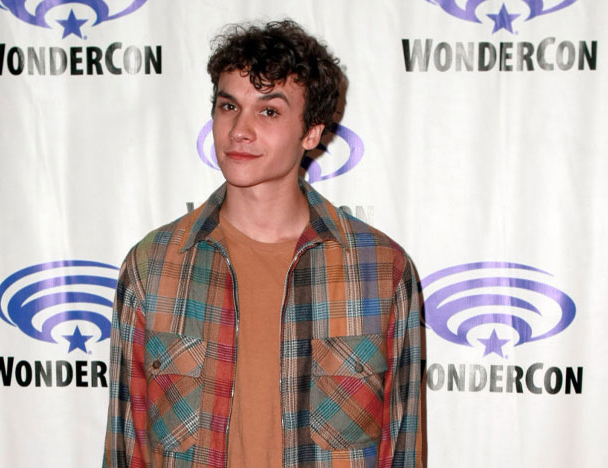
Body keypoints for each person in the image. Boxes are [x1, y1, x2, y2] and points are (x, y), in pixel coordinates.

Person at [103, 19, 422, 468]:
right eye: (228, 106)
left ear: (311, 132)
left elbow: (402, 449)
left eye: (269, 111)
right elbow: (126, 446)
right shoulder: (154, 266)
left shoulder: (380, 270)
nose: (240, 130)